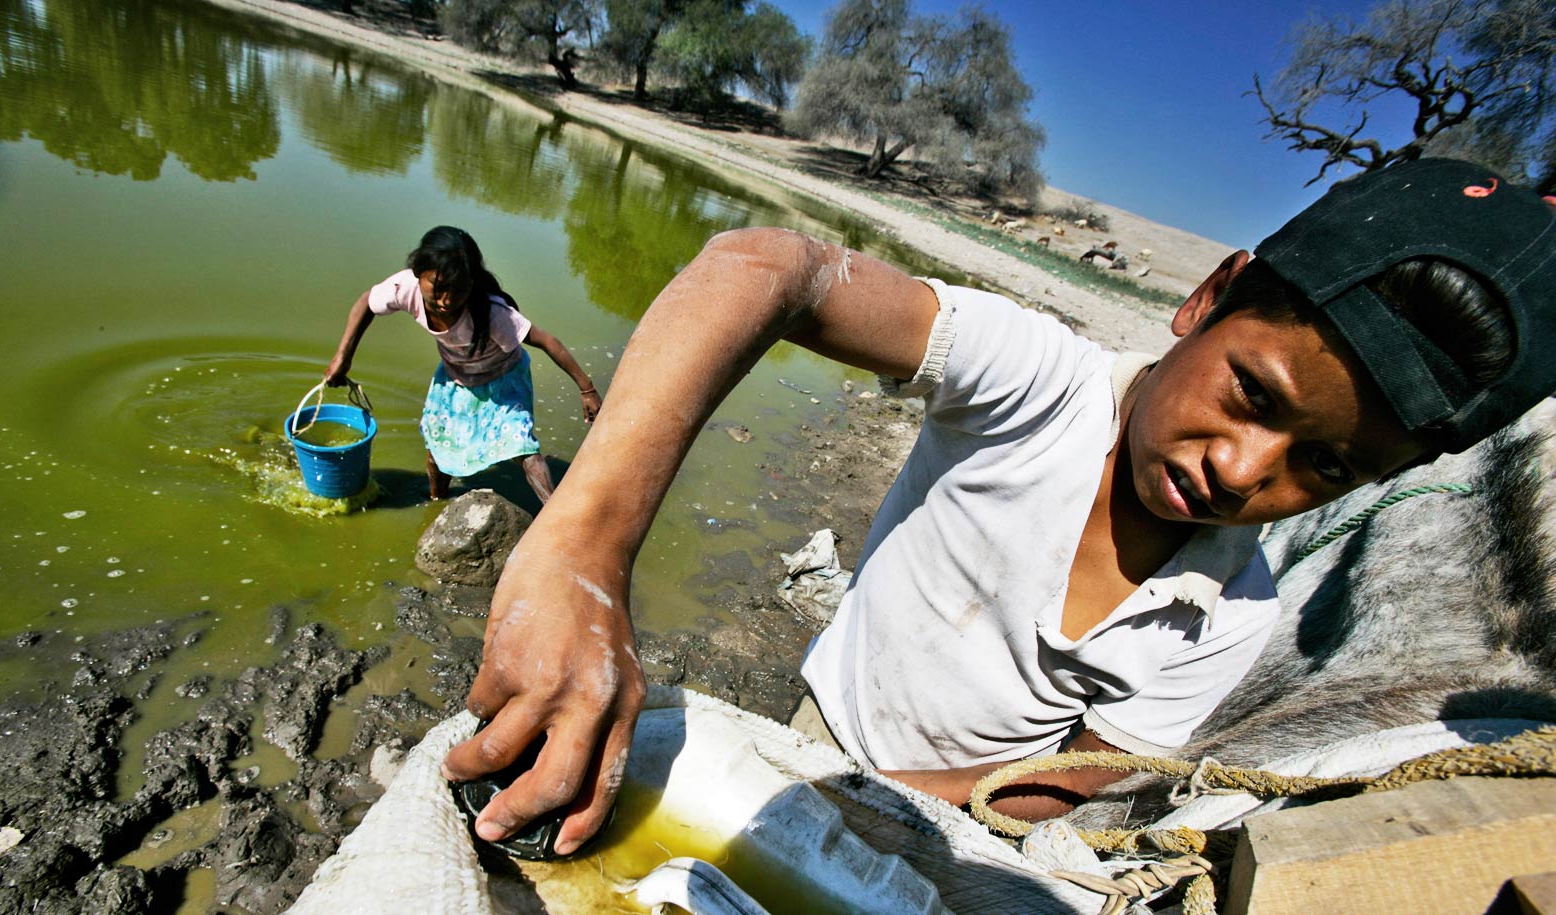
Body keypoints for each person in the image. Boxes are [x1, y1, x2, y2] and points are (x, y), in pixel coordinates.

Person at [440, 159, 1556, 856]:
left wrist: (877, 811)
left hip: (956, 813)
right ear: (1207, 299)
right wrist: (583, 548)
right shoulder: (1040, 379)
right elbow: (763, 267)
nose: (1241, 468)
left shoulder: (1234, 617)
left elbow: (1067, 776)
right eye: (1249, 394)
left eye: (1326, 469)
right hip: (820, 726)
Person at [323, 226, 602, 502]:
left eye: (458, 290)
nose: (446, 300)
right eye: (438, 287)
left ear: (471, 283)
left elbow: (546, 340)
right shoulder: (404, 288)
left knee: (521, 446)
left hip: (503, 380)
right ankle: (437, 501)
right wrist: (343, 357)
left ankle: (554, 516)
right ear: (419, 273)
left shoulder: (491, 312)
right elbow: (366, 303)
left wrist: (586, 389)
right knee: (438, 447)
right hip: (455, 378)